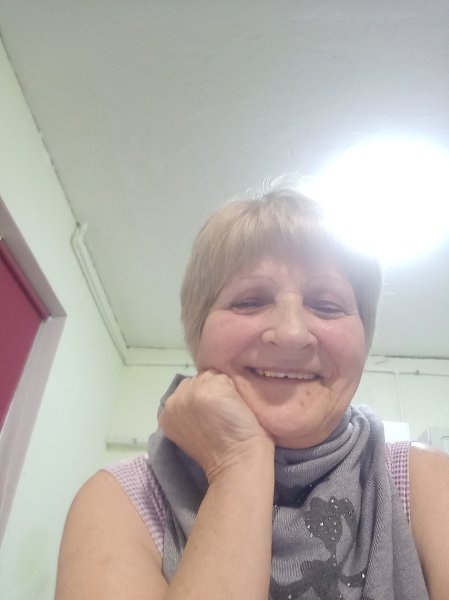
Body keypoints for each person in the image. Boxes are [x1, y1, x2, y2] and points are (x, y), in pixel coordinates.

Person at [55, 188, 449, 600]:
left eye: (327, 305)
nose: (291, 333)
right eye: (249, 301)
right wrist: (238, 464)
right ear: (199, 333)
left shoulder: (423, 481)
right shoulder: (122, 500)